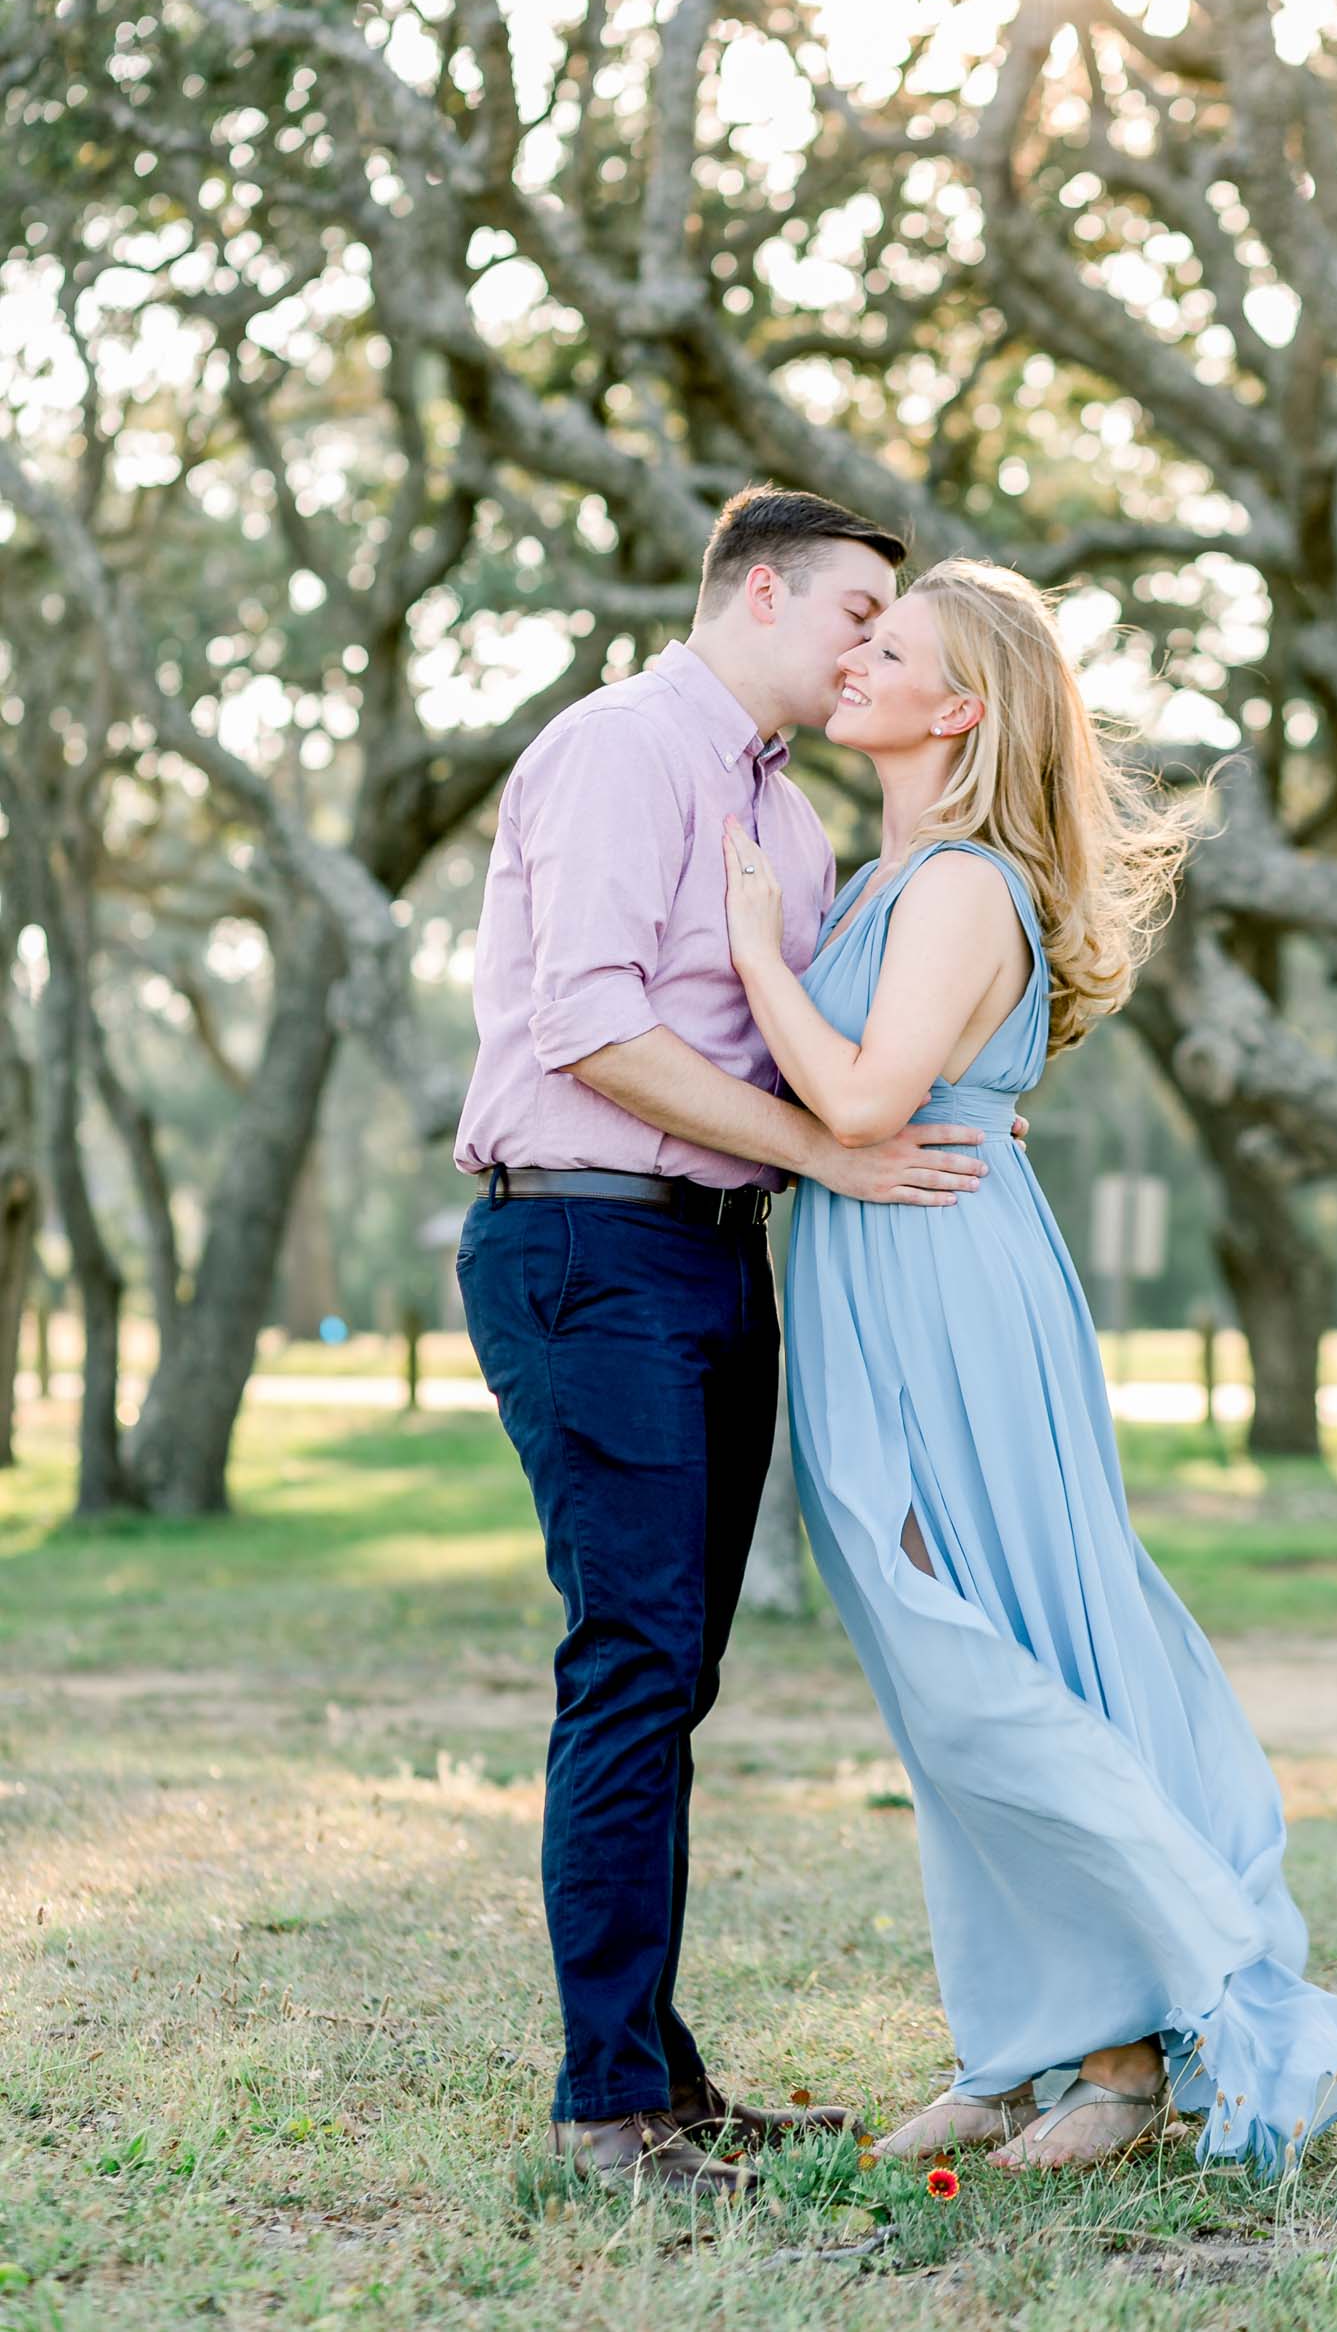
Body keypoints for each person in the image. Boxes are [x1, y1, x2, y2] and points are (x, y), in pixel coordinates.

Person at [720, 556, 1337, 2176]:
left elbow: (870, 1108)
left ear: (962, 708)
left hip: (947, 1283)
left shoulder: (958, 882)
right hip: (874, 1278)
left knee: (995, 1657)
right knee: (935, 1670)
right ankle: (1021, 2048)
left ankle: (1143, 2038)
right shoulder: (897, 880)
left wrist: (752, 955)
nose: (859, 657)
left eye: (896, 646)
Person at [451, 487, 1014, 2196]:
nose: (868, 650)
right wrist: (830, 1150)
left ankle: (667, 2080)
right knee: (629, 1659)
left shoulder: (802, 829)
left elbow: (814, 1057)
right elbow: (595, 1027)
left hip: (715, 1255)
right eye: (857, 614)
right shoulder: (624, 750)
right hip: (583, 1237)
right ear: (757, 592)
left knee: (674, 1669)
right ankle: (606, 2108)